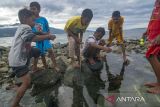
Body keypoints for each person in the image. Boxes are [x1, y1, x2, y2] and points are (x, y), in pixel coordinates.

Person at [8, 8, 56, 107]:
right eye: (33, 20)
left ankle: (34, 67)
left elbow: (35, 34)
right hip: (18, 60)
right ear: (26, 19)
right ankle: (15, 104)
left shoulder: (22, 27)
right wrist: (48, 37)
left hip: (21, 55)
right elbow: (33, 38)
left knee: (36, 51)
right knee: (27, 82)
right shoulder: (25, 27)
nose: (34, 22)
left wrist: (46, 34)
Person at [30, 1, 59, 71]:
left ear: (39, 10)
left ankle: (55, 65)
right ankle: (45, 67)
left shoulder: (43, 19)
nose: (32, 11)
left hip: (46, 37)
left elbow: (48, 28)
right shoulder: (31, 20)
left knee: (50, 50)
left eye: (34, 9)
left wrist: (49, 35)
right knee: (41, 53)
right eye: (31, 9)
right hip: (38, 39)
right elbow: (32, 32)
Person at [143, 0, 160, 94]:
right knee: (155, 56)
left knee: (151, 55)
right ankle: (158, 83)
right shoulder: (156, 2)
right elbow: (153, 15)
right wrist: (147, 29)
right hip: (154, 31)